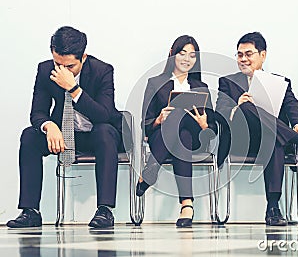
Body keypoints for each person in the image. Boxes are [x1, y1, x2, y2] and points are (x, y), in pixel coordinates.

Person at [7, 26, 123, 228]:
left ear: (83, 57)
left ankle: (105, 210)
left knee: (105, 133)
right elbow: (37, 112)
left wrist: (73, 88)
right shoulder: (45, 70)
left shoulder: (103, 70)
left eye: (69, 66)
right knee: (29, 136)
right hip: (63, 135)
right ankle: (30, 211)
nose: (61, 70)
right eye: (57, 63)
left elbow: (104, 114)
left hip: (96, 133)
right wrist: (48, 125)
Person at [216, 32, 298, 226]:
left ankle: (273, 208)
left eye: (248, 54)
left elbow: (293, 107)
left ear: (263, 55)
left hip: (270, 140)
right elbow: (220, 112)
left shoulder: (279, 82)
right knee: (247, 106)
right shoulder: (227, 82)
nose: (243, 59)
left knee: (273, 138)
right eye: (239, 55)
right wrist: (237, 106)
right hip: (240, 142)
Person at [135, 35, 217, 227]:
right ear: (172, 54)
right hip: (162, 137)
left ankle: (150, 169)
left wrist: (204, 124)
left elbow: (212, 127)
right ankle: (187, 205)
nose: (187, 59)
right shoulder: (155, 83)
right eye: (182, 53)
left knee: (186, 129)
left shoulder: (201, 87)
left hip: (197, 138)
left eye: (192, 55)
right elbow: (145, 123)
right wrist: (159, 119)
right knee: (183, 135)